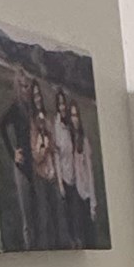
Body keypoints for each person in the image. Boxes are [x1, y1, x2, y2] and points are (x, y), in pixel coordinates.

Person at [0, 68, 37, 249]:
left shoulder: (32, 108)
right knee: (26, 211)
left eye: (27, 86)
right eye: (22, 86)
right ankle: (29, 247)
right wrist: (12, 152)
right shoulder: (15, 108)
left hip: (36, 162)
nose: (25, 90)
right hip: (21, 164)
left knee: (36, 209)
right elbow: (1, 125)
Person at [29, 89, 56, 247]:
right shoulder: (32, 124)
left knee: (55, 215)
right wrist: (43, 149)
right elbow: (36, 156)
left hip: (52, 172)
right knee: (44, 216)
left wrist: (50, 144)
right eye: (35, 96)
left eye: (39, 95)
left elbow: (53, 146)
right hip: (40, 173)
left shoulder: (47, 120)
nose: (38, 99)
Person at [51, 87, 76, 244]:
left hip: (75, 175)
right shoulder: (56, 127)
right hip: (64, 176)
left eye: (63, 104)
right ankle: (71, 239)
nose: (62, 107)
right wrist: (60, 183)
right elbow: (56, 155)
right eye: (59, 104)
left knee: (76, 212)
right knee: (68, 213)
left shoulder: (70, 126)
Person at [70, 101, 97, 240]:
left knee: (89, 235)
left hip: (85, 193)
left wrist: (93, 203)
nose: (74, 119)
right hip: (76, 192)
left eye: (76, 115)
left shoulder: (84, 141)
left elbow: (90, 173)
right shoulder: (71, 140)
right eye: (71, 116)